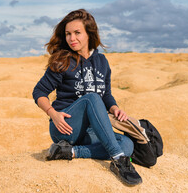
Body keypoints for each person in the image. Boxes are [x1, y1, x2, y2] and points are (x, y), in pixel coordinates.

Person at [32, 9, 142, 185]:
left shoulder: (102, 62)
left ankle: (70, 152)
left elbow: (106, 94)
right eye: (68, 34)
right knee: (91, 98)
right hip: (66, 126)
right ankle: (119, 161)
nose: (72, 38)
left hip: (91, 130)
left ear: (89, 34)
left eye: (77, 33)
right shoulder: (62, 60)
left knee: (127, 144)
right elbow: (39, 92)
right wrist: (53, 113)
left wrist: (114, 108)